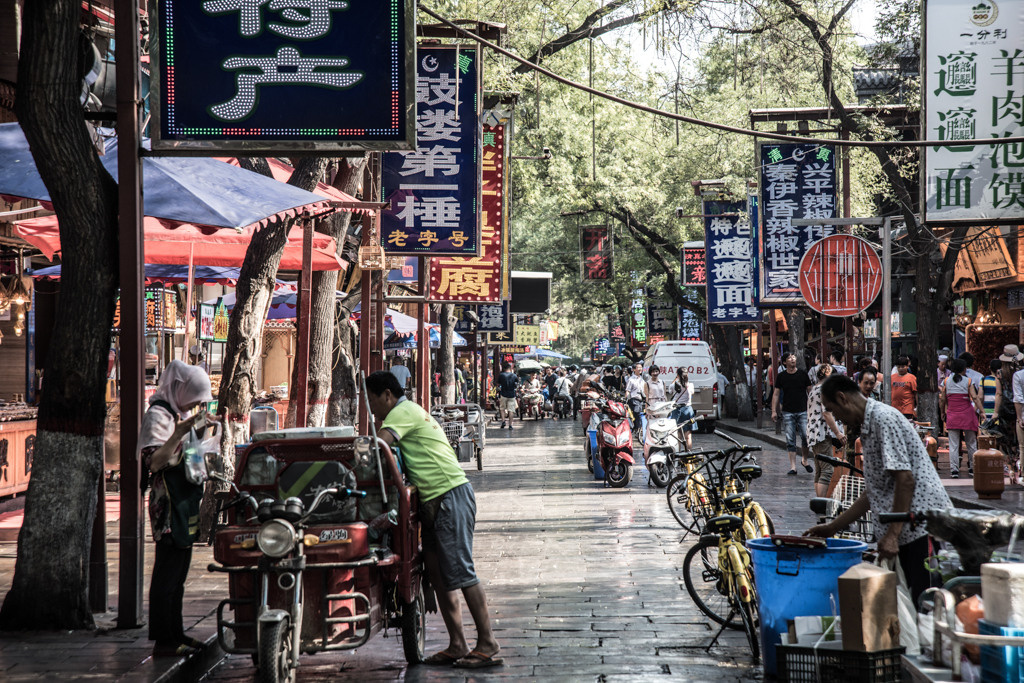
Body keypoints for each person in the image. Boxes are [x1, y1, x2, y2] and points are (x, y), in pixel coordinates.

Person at [364, 371, 502, 669]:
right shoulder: (408, 411)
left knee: (462, 570)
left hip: (450, 495)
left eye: (373, 401)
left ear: (387, 394)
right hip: (436, 500)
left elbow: (380, 446)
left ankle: (488, 642)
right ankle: (457, 643)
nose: (372, 409)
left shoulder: (401, 412)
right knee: (437, 571)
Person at [806, 374, 953, 606]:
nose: (836, 417)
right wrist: (832, 527)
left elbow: (904, 480)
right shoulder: (868, 424)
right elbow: (874, 492)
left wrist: (892, 536)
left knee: (926, 605)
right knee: (908, 605)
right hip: (904, 532)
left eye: (833, 409)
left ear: (842, 398)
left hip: (921, 528)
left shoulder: (883, 419)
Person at [140, 360, 215, 657]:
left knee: (180, 572)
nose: (195, 405)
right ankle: (164, 639)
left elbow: (192, 452)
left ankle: (177, 631)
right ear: (179, 389)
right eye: (193, 399)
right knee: (167, 573)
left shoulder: (180, 414)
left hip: (185, 501)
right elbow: (154, 462)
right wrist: (180, 432)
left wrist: (204, 433)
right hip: (167, 504)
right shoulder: (157, 416)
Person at [806, 364, 846, 496]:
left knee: (819, 469)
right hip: (821, 433)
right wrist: (838, 433)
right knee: (827, 470)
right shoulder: (825, 390)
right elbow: (827, 413)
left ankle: (819, 501)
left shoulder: (814, 389)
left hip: (813, 434)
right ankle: (821, 502)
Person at [941, 358, 984, 478]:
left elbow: (943, 399)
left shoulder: (946, 381)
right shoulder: (968, 381)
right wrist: (982, 411)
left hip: (952, 414)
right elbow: (975, 398)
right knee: (971, 443)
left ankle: (954, 470)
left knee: (953, 444)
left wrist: (942, 412)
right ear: (963, 369)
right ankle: (972, 468)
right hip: (968, 415)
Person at [772, 353, 813, 476]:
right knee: (790, 439)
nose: (793, 359)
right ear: (785, 362)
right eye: (789, 358)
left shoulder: (802, 374)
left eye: (794, 357)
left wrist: (813, 407)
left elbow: (810, 391)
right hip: (788, 411)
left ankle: (804, 460)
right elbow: (776, 394)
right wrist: (774, 411)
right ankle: (793, 467)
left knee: (805, 436)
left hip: (803, 410)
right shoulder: (781, 376)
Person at [670, 368, 696, 450]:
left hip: (676, 410)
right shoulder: (690, 385)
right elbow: (692, 393)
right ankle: (689, 454)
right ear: (687, 374)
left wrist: (675, 379)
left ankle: (677, 454)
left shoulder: (673, 385)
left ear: (677, 375)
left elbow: (670, 392)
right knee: (688, 436)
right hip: (688, 410)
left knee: (678, 436)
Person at [890, 356, 918, 420]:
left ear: (907, 366)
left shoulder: (911, 378)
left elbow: (916, 393)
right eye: (899, 367)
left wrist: (917, 408)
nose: (900, 369)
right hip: (894, 408)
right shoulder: (892, 377)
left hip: (907, 409)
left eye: (903, 367)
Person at [495, 362, 519, 430]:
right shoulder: (514, 376)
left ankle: (503, 421)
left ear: (504, 368)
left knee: (502, 408)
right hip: (511, 395)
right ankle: (510, 425)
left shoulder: (501, 375)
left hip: (503, 394)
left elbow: (498, 383)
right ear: (510, 368)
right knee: (511, 410)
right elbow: (516, 384)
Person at [625, 363, 646, 434]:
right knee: (638, 414)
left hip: (641, 400)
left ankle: (636, 428)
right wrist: (626, 401)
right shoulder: (631, 380)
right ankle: (639, 429)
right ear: (634, 369)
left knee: (638, 415)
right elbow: (628, 390)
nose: (640, 369)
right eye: (638, 368)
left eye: (641, 367)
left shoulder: (642, 379)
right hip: (634, 399)